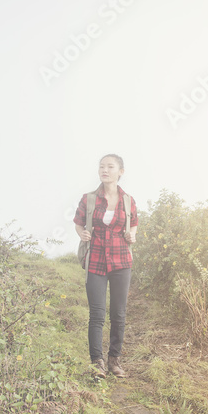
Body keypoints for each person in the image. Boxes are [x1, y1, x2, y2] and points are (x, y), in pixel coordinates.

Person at [73, 154, 139, 378]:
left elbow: (134, 225)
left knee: (118, 314)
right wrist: (81, 233)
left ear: (120, 171)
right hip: (96, 260)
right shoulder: (88, 199)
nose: (105, 170)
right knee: (97, 314)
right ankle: (97, 363)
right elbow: (78, 222)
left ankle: (114, 360)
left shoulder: (128, 200)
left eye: (110, 167)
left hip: (122, 261)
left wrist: (132, 235)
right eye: (102, 166)